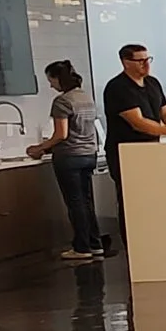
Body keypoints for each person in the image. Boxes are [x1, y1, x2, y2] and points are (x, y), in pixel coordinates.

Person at [24, 58, 104, 261]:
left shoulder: (62, 101)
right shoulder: (85, 97)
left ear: (58, 78)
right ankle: (95, 244)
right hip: (89, 154)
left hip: (69, 157)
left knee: (75, 203)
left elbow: (61, 134)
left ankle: (81, 247)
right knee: (86, 202)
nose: (50, 84)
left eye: (51, 79)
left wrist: (40, 148)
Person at [99, 42, 166, 194]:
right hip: (127, 153)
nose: (146, 64)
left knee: (154, 195)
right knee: (131, 198)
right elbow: (139, 123)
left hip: (151, 150)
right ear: (126, 63)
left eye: (148, 59)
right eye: (140, 61)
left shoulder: (153, 83)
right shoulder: (118, 87)